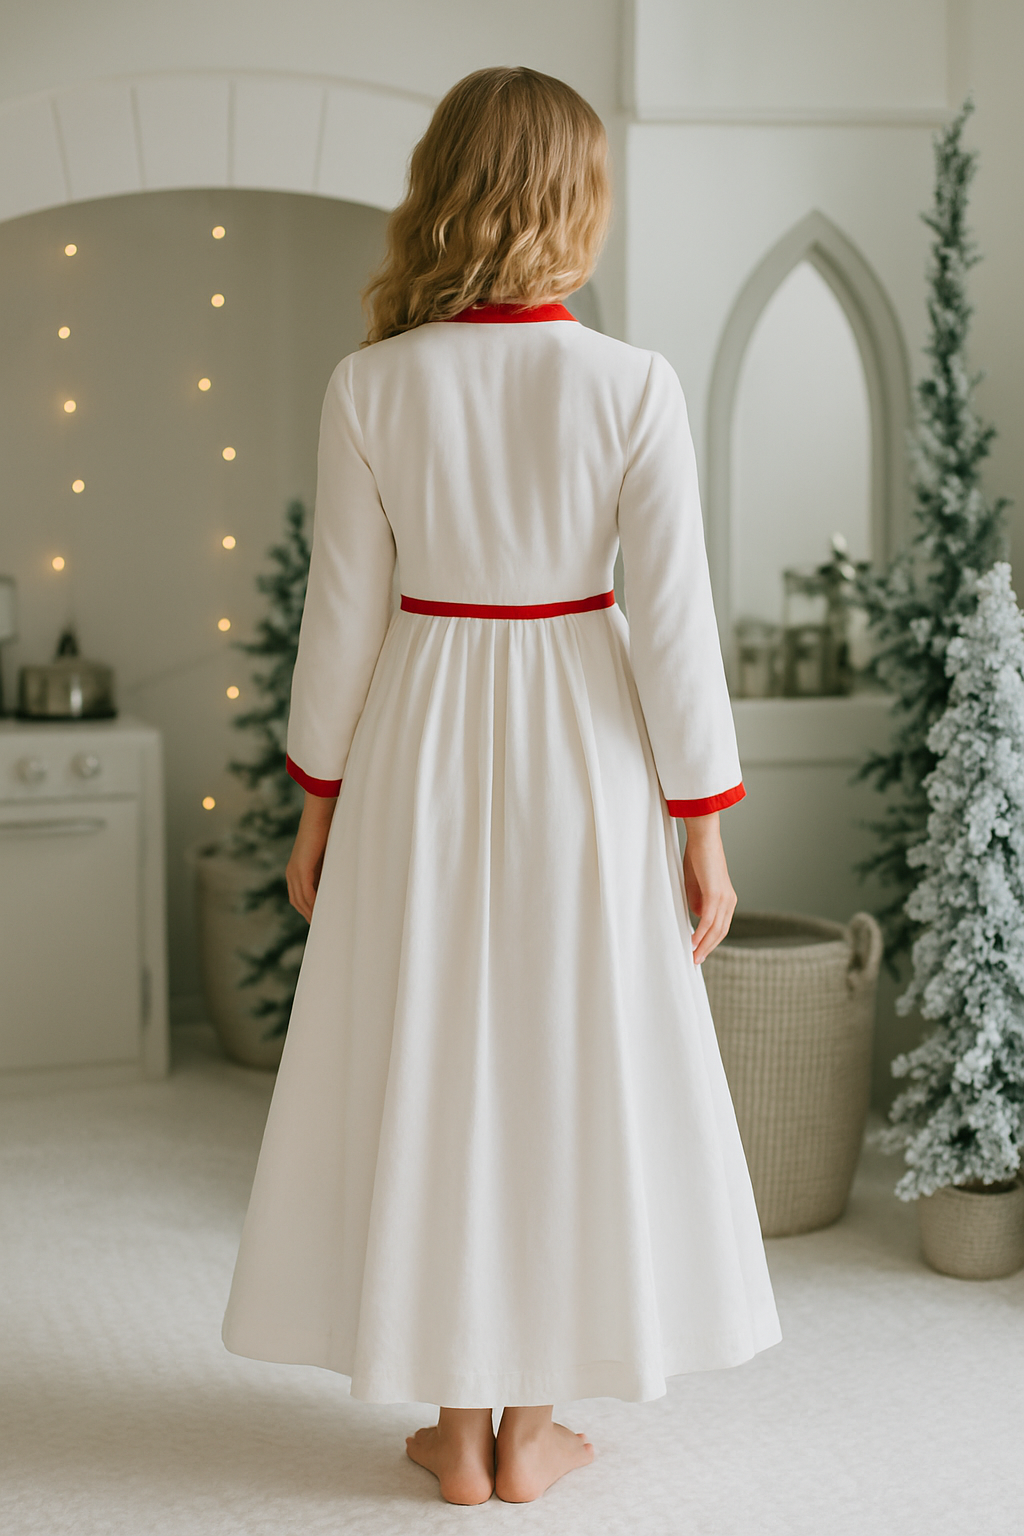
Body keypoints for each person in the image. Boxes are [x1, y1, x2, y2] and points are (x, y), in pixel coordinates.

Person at [221, 65, 781, 1507]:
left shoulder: (372, 385)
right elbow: (674, 630)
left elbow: (339, 619)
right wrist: (703, 832)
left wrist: (318, 802)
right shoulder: (634, 385)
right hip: (587, 751)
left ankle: (454, 1428)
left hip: (419, 738)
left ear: (444, 191)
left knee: (438, 1055)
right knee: (564, 1061)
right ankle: (532, 1429)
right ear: (576, 202)